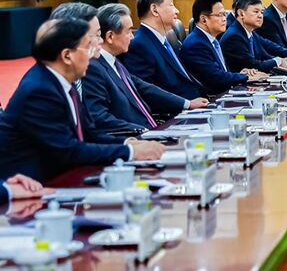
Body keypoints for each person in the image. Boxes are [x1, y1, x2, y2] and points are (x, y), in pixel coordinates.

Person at [0, 19, 164, 182]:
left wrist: (129, 143)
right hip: (30, 186)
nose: (92, 55)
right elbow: (69, 150)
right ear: (67, 55)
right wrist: (130, 152)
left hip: (63, 176)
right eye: (87, 48)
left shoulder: (63, 82)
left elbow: (89, 134)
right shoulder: (40, 90)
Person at [83, 4, 204, 133]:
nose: (132, 36)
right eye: (129, 31)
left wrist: (187, 104)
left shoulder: (114, 62)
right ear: (110, 36)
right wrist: (141, 131)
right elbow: (100, 118)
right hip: (135, 137)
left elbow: (144, 88)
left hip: (152, 129)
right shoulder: (94, 68)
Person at [121, 0, 204, 99]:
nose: (177, 11)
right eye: (171, 5)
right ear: (155, 10)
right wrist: (187, 104)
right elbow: (145, 93)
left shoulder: (166, 39)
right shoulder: (139, 45)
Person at [181, 0, 266, 93]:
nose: (225, 19)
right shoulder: (196, 44)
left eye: (224, 14)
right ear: (204, 19)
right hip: (211, 97)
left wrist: (240, 73)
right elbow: (215, 77)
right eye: (219, 15)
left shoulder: (210, 39)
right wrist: (245, 77)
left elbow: (221, 71)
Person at [221, 0, 287, 74]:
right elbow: (253, 65)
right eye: (256, 12)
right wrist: (279, 61)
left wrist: (283, 59)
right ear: (241, 14)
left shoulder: (250, 32)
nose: (260, 16)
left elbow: (264, 56)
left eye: (262, 12)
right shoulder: (234, 36)